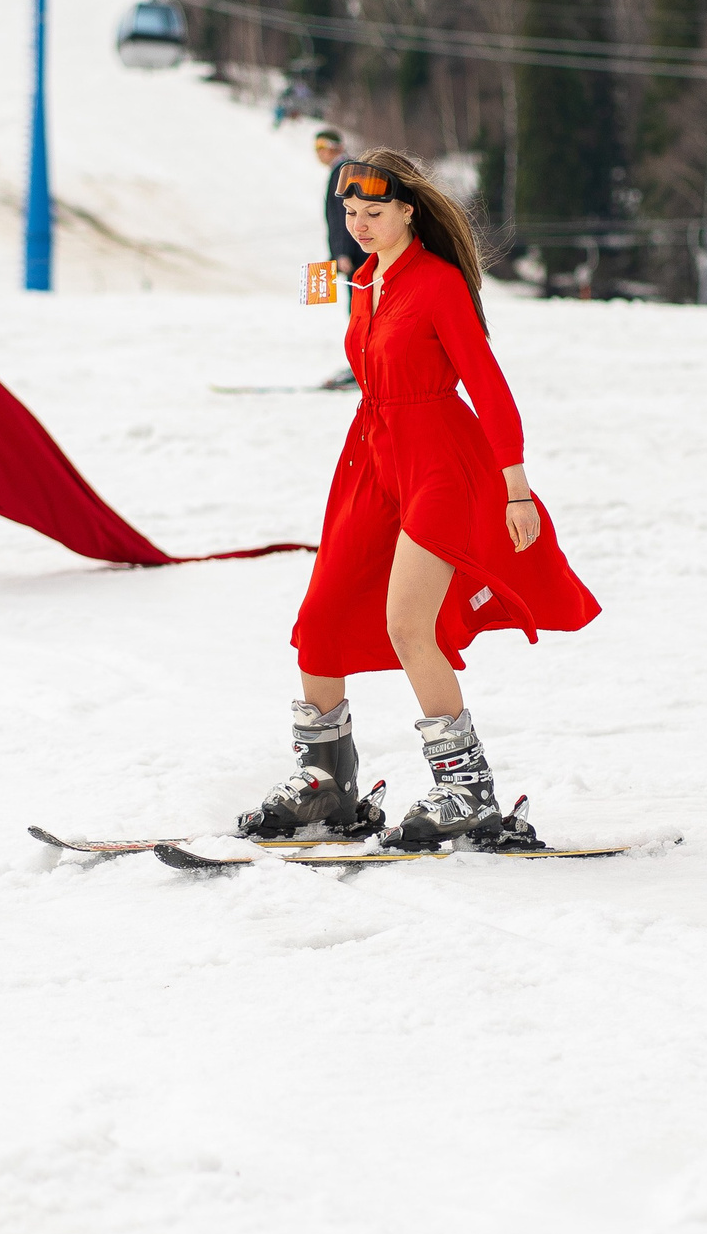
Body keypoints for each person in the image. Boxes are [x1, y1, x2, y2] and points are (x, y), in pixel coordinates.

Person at [240, 149, 600, 849]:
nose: (361, 225)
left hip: (439, 462)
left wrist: (515, 490)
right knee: (321, 619)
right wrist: (346, 277)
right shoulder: (364, 282)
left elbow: (489, 388)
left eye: (375, 213)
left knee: (410, 624)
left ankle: (467, 792)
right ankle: (326, 786)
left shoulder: (437, 285)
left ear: (409, 211)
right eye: (350, 214)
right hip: (372, 458)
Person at [314, 127, 367, 391]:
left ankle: (364, 366)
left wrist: (342, 253)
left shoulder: (343, 171)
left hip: (355, 256)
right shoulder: (346, 169)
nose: (317, 155)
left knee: (359, 311)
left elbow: (343, 217)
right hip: (355, 254)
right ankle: (362, 364)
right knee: (359, 310)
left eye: (319, 149)